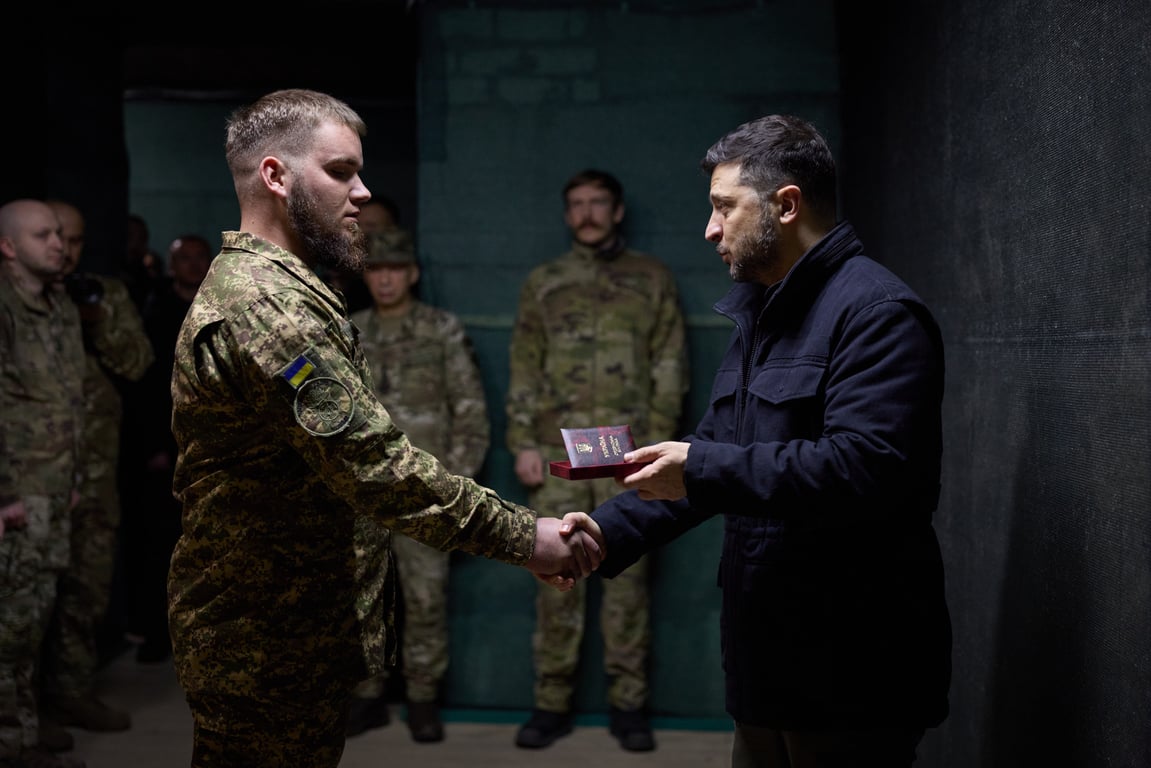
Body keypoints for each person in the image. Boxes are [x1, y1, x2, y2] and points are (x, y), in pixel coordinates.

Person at [167, 88, 604, 768]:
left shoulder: (291, 289)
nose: (363, 192)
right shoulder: (266, 307)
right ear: (276, 176)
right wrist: (529, 538)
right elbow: (375, 464)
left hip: (290, 626)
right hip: (263, 636)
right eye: (341, 171)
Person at [572, 115, 952, 767]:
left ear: (785, 205)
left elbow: (865, 470)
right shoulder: (763, 310)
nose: (709, 229)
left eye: (724, 207)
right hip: (768, 665)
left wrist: (701, 468)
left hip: (849, 669)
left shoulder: (876, 313)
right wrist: (603, 533)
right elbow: (720, 446)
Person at [506, 169, 689, 752]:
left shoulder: (652, 278)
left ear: (617, 210)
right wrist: (524, 444)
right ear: (567, 214)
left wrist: (657, 450)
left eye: (597, 203)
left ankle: (629, 707)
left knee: (629, 585)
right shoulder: (545, 282)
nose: (586, 213)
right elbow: (525, 364)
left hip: (628, 461)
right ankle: (551, 703)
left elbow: (670, 366)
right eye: (577, 205)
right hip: (560, 459)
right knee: (555, 577)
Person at [345, 228, 489, 742]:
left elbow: (470, 411)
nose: (384, 278)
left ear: (411, 274)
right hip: (361, 495)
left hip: (424, 496)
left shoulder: (441, 330)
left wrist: (453, 488)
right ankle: (367, 696)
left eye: (394, 269)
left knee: (426, 600)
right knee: (362, 601)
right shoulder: (349, 330)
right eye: (375, 269)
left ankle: (423, 699)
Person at [36, 200, 153, 743]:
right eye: (55, 236)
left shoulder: (104, 294)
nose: (65, 250)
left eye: (76, 239)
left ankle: (72, 691)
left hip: (96, 468)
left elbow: (137, 364)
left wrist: (97, 322)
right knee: (27, 594)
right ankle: (26, 707)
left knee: (86, 588)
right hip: (32, 478)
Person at [0, 198, 88, 768]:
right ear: (8, 247)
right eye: (41, 236)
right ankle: (11, 743)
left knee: (35, 620)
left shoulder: (58, 304)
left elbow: (68, 399)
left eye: (58, 233)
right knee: (9, 626)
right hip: (17, 493)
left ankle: (26, 726)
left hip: (55, 486)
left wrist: (74, 478)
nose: (57, 244)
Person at [119, 233, 213, 664]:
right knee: (161, 545)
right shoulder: (154, 312)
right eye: (185, 259)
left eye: (200, 258)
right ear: (172, 265)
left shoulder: (221, 307)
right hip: (166, 447)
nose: (193, 266)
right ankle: (158, 634)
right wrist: (154, 446)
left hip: (212, 447)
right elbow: (145, 386)